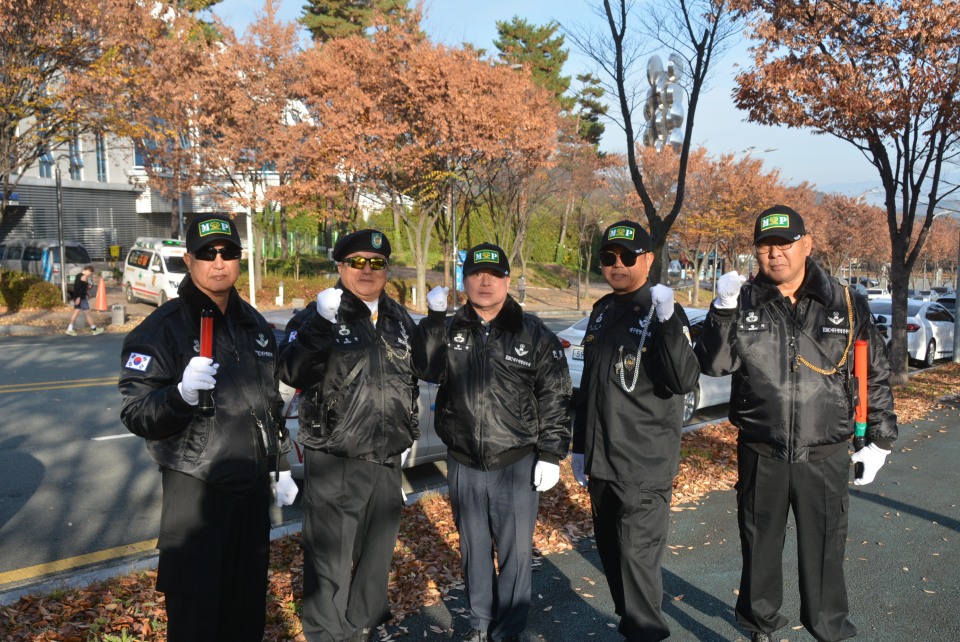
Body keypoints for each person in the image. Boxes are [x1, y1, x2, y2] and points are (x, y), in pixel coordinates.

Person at [694, 205, 898, 642]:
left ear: (807, 244)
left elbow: (874, 373)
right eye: (765, 245)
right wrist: (723, 310)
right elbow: (714, 364)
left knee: (825, 551)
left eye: (784, 244)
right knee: (759, 547)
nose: (775, 253)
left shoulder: (846, 302)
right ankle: (760, 625)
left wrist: (879, 439)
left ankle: (828, 628)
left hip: (825, 452)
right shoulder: (744, 301)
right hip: (761, 449)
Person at [119, 213, 297, 642]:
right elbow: (137, 412)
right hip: (196, 493)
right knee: (196, 620)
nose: (219, 262)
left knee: (246, 613)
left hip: (251, 492)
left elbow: (268, 404)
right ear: (189, 260)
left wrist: (281, 463)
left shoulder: (253, 323)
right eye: (207, 253)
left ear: (239, 258)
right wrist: (179, 395)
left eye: (228, 252)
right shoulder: (162, 329)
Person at [278, 229, 446, 642]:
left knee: (375, 561)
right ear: (341, 266)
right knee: (329, 565)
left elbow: (427, 368)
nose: (367, 270)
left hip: (386, 459)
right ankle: (328, 635)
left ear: (386, 269)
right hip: (335, 459)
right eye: (357, 262)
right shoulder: (319, 314)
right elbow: (292, 371)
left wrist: (436, 322)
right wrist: (320, 325)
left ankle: (360, 630)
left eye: (377, 263)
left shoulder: (397, 317)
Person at [420, 242, 572, 642]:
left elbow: (555, 394)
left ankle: (508, 630)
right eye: (476, 274)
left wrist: (551, 453)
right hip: (464, 461)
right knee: (473, 550)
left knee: (515, 554)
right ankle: (480, 624)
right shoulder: (450, 329)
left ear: (507, 280)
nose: (484, 282)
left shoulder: (533, 332)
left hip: (516, 461)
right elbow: (427, 369)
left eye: (493, 274)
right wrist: (433, 321)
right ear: (464, 281)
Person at [570, 220, 700, 641]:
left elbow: (683, 379)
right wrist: (579, 447)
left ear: (648, 259)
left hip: (643, 465)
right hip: (603, 462)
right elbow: (591, 387)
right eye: (609, 257)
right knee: (613, 559)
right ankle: (634, 629)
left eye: (628, 256)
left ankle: (646, 632)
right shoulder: (602, 310)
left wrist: (667, 321)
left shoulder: (662, 311)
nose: (618, 264)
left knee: (637, 564)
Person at [66, 265, 103, 335]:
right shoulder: (84, 277)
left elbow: (78, 287)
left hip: (77, 297)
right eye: (91, 273)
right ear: (89, 271)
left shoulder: (78, 275)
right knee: (87, 313)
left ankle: (69, 328)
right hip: (81, 298)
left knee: (76, 313)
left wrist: (84, 294)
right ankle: (94, 329)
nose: (90, 275)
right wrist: (79, 297)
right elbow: (80, 288)